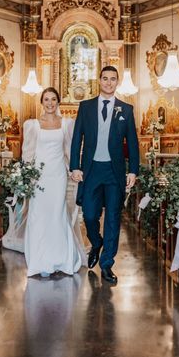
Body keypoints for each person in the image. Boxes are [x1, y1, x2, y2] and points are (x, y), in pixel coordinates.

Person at [5, 87, 86, 277]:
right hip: (38, 177)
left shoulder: (66, 123)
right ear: (42, 102)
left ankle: (62, 259)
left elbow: (69, 151)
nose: (50, 103)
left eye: (53, 99)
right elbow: (27, 153)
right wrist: (26, 175)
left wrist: (74, 169)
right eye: (46, 100)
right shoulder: (32, 124)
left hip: (58, 176)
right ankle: (39, 261)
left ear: (58, 102)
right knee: (38, 215)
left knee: (57, 214)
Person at [70, 66, 140, 285]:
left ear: (116, 82)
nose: (109, 82)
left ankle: (107, 264)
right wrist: (75, 166)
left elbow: (134, 144)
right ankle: (96, 242)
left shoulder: (126, 110)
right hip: (91, 170)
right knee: (90, 215)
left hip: (114, 171)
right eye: (105, 78)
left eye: (113, 79)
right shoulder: (86, 107)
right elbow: (76, 139)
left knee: (112, 218)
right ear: (99, 81)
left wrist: (133, 171)